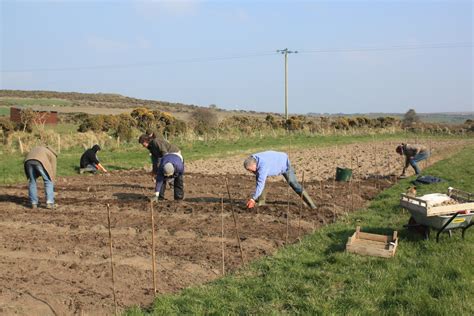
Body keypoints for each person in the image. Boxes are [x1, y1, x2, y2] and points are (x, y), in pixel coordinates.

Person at [243, 151, 316, 209]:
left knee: (293, 183)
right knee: (260, 180)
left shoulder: (263, 166)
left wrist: (253, 199)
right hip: (274, 162)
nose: (251, 172)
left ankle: (312, 205)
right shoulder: (252, 158)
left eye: (250, 170)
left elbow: (260, 183)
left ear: (254, 164)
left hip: (284, 164)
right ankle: (261, 203)